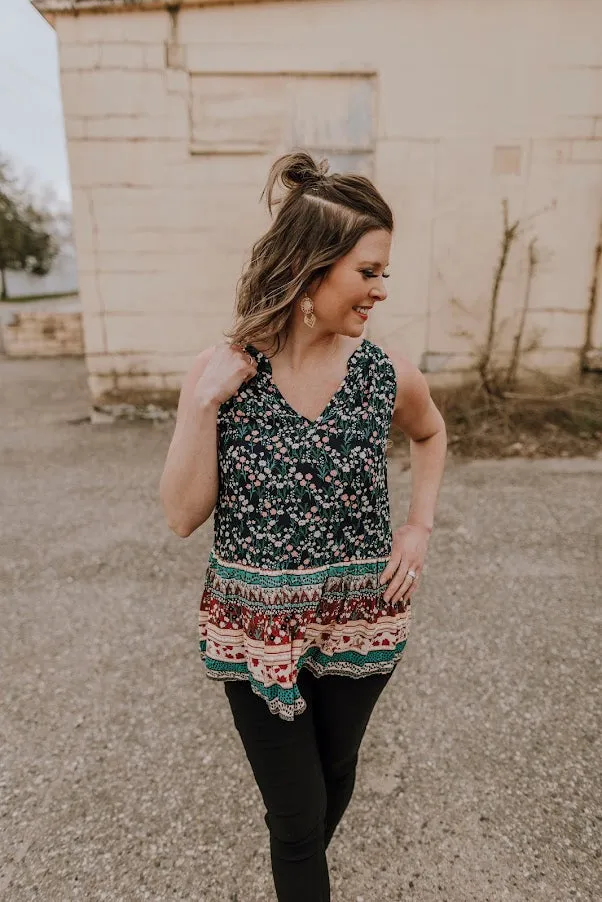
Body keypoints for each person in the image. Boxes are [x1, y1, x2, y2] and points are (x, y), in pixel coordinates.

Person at [159, 151, 447, 901]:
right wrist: (202, 407)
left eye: (384, 272)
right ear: (313, 268)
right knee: (297, 817)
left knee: (333, 781)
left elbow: (432, 434)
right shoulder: (223, 372)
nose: (382, 290)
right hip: (256, 628)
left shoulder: (386, 374)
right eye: (369, 271)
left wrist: (417, 529)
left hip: (361, 621)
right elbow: (182, 516)